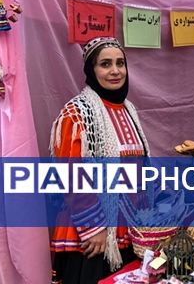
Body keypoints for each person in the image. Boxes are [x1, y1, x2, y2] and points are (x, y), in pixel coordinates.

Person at [49, 37, 150, 283]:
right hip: (94, 235)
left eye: (120, 63)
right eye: (105, 64)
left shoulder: (128, 109)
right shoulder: (77, 112)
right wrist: (96, 228)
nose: (115, 71)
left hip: (127, 228)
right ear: (91, 70)